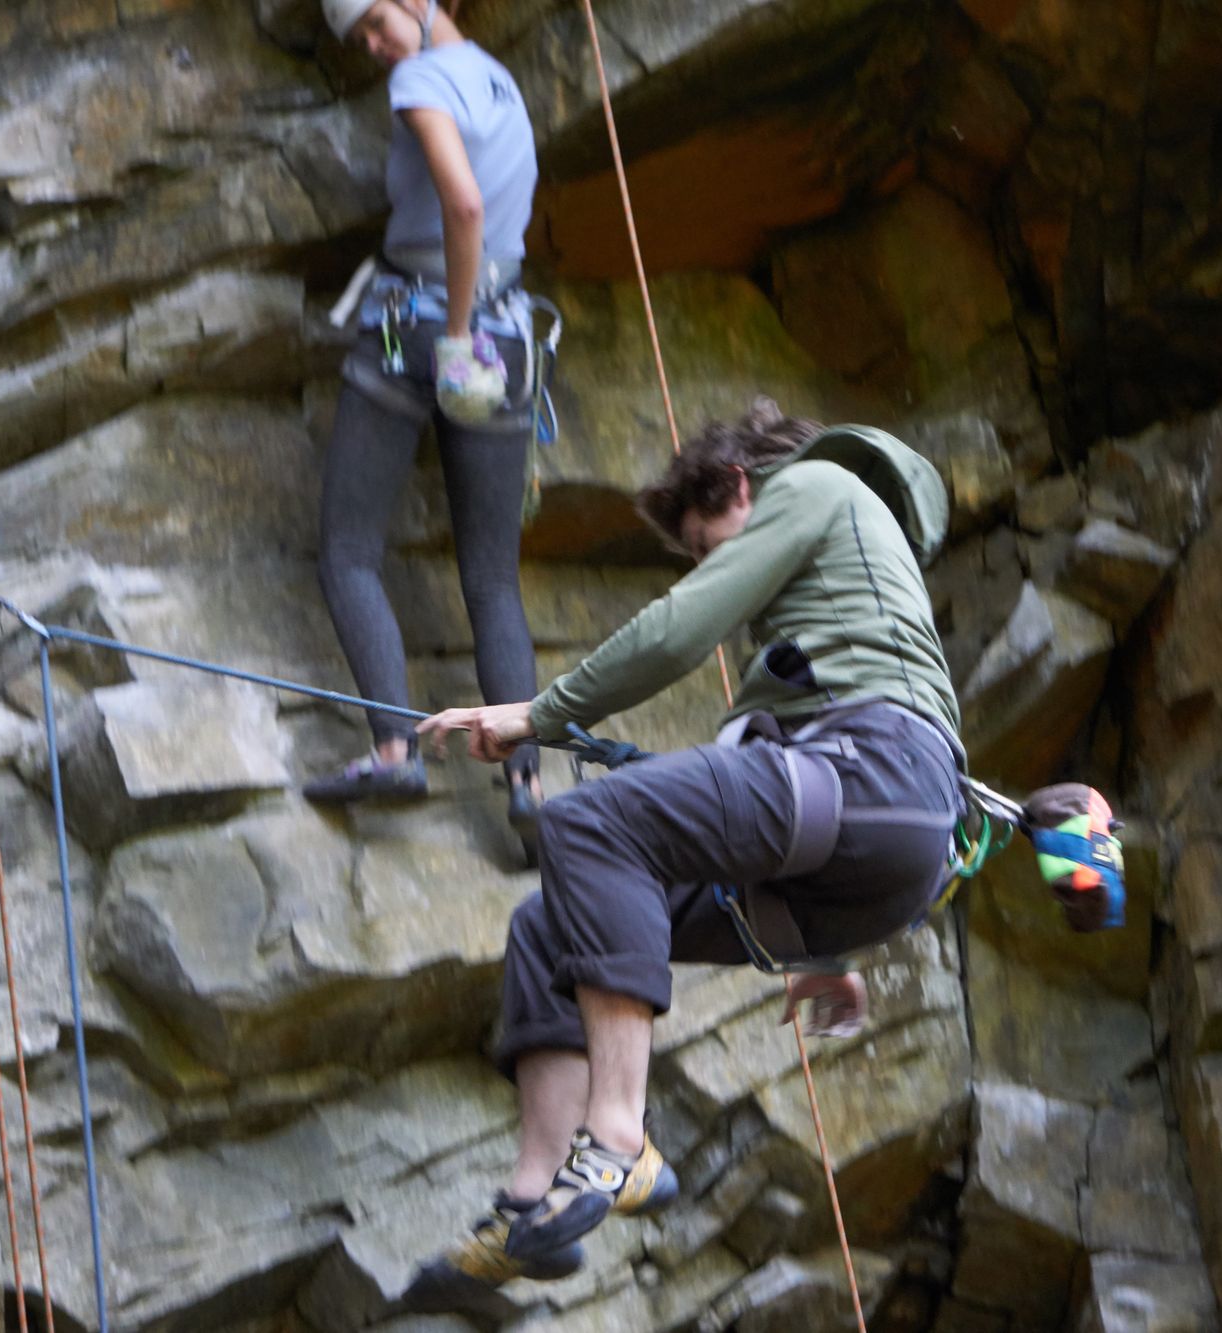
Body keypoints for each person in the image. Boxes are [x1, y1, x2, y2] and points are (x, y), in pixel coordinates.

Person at [404, 398, 968, 1308]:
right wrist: (826, 953)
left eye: (709, 543)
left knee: (590, 826)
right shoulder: (836, 609)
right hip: (865, 849)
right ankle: (535, 1197)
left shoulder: (815, 485)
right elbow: (753, 786)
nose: (717, 565)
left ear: (740, 486)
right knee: (552, 926)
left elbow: (679, 628)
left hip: (868, 774)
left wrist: (537, 716)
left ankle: (618, 1136)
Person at [303, 0, 547, 852]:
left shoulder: (420, 78)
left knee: (348, 550)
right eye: (360, 40)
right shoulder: (503, 84)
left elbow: (466, 205)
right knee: (492, 577)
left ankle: (393, 748)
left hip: (422, 330)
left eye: (373, 21)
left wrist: (449, 333)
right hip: (510, 337)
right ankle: (529, 787)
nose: (372, 48)